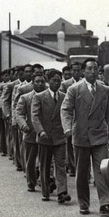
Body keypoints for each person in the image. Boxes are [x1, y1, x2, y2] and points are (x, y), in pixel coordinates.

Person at [61, 58, 109, 216]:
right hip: (81, 136)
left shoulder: (105, 90)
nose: (93, 72)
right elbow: (66, 110)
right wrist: (67, 128)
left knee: (102, 170)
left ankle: (105, 203)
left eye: (95, 69)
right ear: (83, 71)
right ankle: (84, 203)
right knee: (82, 172)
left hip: (100, 135)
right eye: (89, 69)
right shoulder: (74, 89)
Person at [33, 70, 71, 203]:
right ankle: (45, 191)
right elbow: (35, 117)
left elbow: (68, 114)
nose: (56, 83)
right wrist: (40, 131)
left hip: (60, 136)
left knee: (60, 165)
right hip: (45, 137)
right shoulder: (39, 97)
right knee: (45, 165)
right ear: (48, 81)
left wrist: (68, 128)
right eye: (54, 80)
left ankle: (62, 192)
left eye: (59, 81)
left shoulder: (64, 96)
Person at [15, 72, 47, 194]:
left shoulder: (48, 96)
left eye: (42, 82)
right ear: (32, 83)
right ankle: (31, 182)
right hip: (30, 133)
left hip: (46, 133)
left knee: (47, 160)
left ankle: (47, 181)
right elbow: (19, 113)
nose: (40, 84)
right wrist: (23, 125)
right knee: (31, 159)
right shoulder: (25, 98)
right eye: (37, 81)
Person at [60, 61, 82, 177]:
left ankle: (85, 171)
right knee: (70, 144)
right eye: (74, 70)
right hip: (71, 118)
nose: (76, 72)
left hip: (83, 119)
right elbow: (64, 104)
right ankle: (73, 167)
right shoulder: (65, 84)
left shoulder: (86, 83)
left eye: (78, 70)